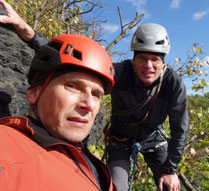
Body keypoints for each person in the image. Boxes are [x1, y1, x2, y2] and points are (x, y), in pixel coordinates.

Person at [0, 1, 189, 190]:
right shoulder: (121, 72)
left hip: (152, 139)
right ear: (134, 59)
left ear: (163, 62)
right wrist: (29, 33)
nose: (148, 66)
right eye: (142, 58)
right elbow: (71, 59)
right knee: (117, 187)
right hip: (120, 137)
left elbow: (180, 129)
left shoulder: (173, 83)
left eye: (155, 60)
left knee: (170, 186)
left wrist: (171, 170)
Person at [0, 32, 117, 190]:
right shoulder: (6, 148)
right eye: (72, 86)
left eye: (96, 94)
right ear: (34, 92)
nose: (89, 104)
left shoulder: (87, 160)